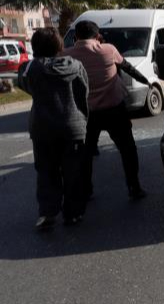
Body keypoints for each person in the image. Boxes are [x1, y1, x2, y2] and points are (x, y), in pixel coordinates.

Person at [64, 20, 150, 200]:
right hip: (114, 109)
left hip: (86, 114)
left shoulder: (67, 55)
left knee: (85, 154)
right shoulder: (108, 50)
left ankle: (86, 190)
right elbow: (127, 67)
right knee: (127, 149)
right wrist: (146, 81)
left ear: (75, 37)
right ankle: (134, 187)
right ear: (97, 36)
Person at [16, 28, 90, 228]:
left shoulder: (31, 69)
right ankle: (74, 213)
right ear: (59, 45)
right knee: (74, 172)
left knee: (46, 171)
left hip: (43, 128)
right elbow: (84, 92)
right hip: (73, 126)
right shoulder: (76, 66)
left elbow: (22, 81)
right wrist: (82, 119)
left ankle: (48, 212)